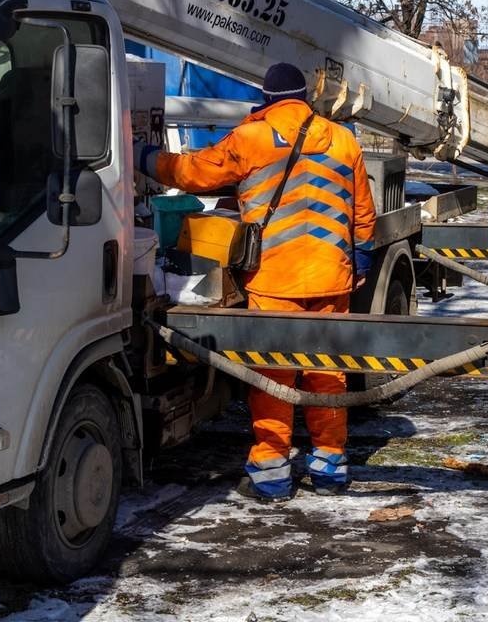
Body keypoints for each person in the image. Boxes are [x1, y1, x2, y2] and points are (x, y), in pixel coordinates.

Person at [135, 62, 376, 500]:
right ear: (305, 98)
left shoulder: (251, 138)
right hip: (331, 276)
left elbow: (191, 173)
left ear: (267, 99)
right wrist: (359, 261)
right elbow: (363, 212)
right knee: (327, 373)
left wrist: (143, 156)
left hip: (274, 280)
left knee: (273, 377)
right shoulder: (343, 139)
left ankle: (271, 473)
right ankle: (329, 468)